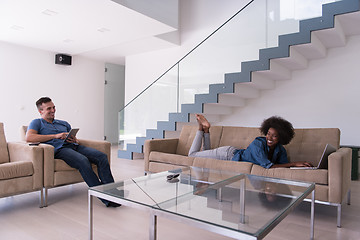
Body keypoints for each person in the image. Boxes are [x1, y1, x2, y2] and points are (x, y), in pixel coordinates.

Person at [26, 97, 120, 207]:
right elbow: (29, 137)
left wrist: (75, 140)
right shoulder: (37, 122)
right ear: (40, 111)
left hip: (74, 146)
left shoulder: (63, 123)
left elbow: (75, 139)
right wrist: (56, 136)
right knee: (83, 161)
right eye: (49, 108)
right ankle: (106, 197)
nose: (53, 110)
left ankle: (111, 192)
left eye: (54, 107)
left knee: (102, 156)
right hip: (60, 150)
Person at [188, 114, 312, 169]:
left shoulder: (280, 150)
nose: (269, 138)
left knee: (205, 154)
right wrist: (295, 163)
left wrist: (301, 167)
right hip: (227, 155)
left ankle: (206, 129)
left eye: (274, 136)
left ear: (281, 138)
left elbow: (282, 168)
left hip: (231, 155)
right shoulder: (258, 143)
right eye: (268, 134)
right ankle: (200, 126)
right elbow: (269, 166)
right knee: (192, 156)